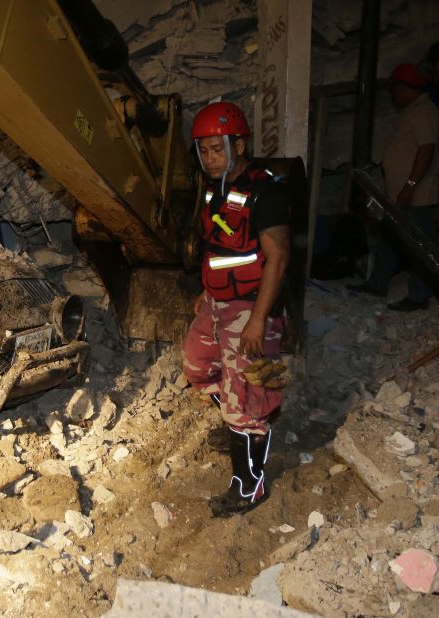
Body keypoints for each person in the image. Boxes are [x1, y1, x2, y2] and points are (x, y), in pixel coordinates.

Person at [182, 101, 291, 518]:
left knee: (247, 398)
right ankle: (237, 422)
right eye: (204, 150)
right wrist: (206, 290)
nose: (209, 158)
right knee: (196, 366)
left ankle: (250, 486)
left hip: (250, 307)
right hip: (217, 301)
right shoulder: (217, 187)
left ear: (239, 144)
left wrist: (260, 320)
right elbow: (219, 245)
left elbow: (277, 259)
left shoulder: (266, 191)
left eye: (217, 149)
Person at [346, 63, 439, 311]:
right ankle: (377, 284)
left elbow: (426, 150)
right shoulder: (414, 110)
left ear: (404, 87)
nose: (392, 95)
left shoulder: (424, 112)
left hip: (417, 195)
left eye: (394, 89)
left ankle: (419, 296)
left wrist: (410, 185)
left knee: (419, 246)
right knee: (391, 238)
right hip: (400, 195)